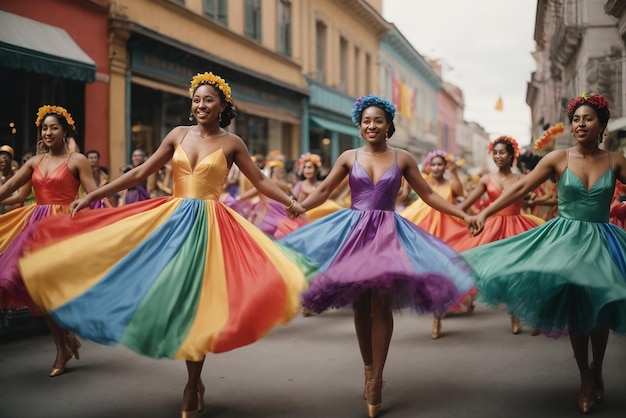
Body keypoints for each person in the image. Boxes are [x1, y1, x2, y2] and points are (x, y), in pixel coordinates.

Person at [19, 72, 310, 418]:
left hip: (210, 227)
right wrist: (95, 192)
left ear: (222, 106)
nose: (200, 105)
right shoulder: (177, 135)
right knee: (166, 294)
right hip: (173, 223)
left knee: (198, 304)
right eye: (196, 99)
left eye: (208, 100)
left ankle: (192, 383)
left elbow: (260, 180)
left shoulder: (232, 143)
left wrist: (291, 202)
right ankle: (178, 370)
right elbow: (141, 173)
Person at [280, 94, 474, 418]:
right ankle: (367, 366)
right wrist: (300, 206)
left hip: (387, 234)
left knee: (381, 303)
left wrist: (463, 215)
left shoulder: (403, 158)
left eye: (378, 121)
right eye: (367, 121)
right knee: (359, 304)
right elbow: (325, 190)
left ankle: (377, 378)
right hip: (354, 233)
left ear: (388, 127)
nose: (372, 126)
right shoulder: (348, 156)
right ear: (360, 127)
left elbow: (427, 194)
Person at [464, 93, 626, 414]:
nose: (580, 124)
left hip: (603, 241)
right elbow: (520, 189)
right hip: (565, 240)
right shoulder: (556, 158)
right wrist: (486, 213)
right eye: (576, 119)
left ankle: (597, 368)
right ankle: (584, 377)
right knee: (579, 309)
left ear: (602, 125)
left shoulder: (616, 160)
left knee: (601, 310)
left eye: (588, 119)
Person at [0, 105, 99, 376]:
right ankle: (62, 345)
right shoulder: (34, 162)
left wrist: (114, 218)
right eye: (44, 128)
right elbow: (12, 191)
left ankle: (64, 341)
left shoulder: (77, 160)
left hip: (65, 228)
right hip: (36, 228)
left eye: (54, 127)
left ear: (65, 131)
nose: (48, 132)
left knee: (57, 290)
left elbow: (95, 193)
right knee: (39, 289)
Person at [447, 136, 544, 338]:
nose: (498, 156)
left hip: (518, 228)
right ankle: (515, 315)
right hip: (491, 229)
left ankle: (532, 314)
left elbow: (533, 199)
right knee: (499, 273)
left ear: (511, 155)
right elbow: (464, 207)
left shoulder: (522, 179)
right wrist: (459, 216)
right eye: (495, 153)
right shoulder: (485, 179)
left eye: (502, 152)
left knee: (524, 273)